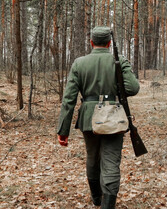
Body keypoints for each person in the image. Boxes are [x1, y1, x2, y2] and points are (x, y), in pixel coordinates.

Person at [56, 26, 140, 208]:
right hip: (114, 117)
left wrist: (63, 130)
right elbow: (133, 88)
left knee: (92, 158)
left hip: (88, 118)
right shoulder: (120, 61)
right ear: (109, 43)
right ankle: (107, 205)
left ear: (92, 42)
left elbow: (68, 99)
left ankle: (96, 199)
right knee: (111, 161)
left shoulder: (79, 63)